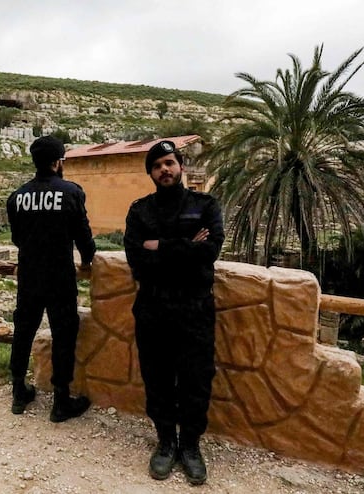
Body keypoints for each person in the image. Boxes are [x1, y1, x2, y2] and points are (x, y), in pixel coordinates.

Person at [123, 140, 224, 485]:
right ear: (150, 173)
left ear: (180, 165)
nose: (164, 169)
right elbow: (137, 260)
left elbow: (209, 251)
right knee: (158, 378)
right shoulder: (140, 211)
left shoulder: (205, 205)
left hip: (196, 308)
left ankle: (191, 447)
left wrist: (160, 247)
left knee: (197, 379)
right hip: (153, 307)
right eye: (156, 166)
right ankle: (166, 443)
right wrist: (186, 247)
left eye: (169, 162)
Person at [7, 135, 96, 422]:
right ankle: (60, 401)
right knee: (64, 336)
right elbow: (84, 237)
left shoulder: (17, 196)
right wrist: (87, 259)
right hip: (59, 277)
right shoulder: (71, 192)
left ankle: (19, 390)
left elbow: (18, 238)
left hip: (30, 276)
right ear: (58, 162)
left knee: (23, 331)